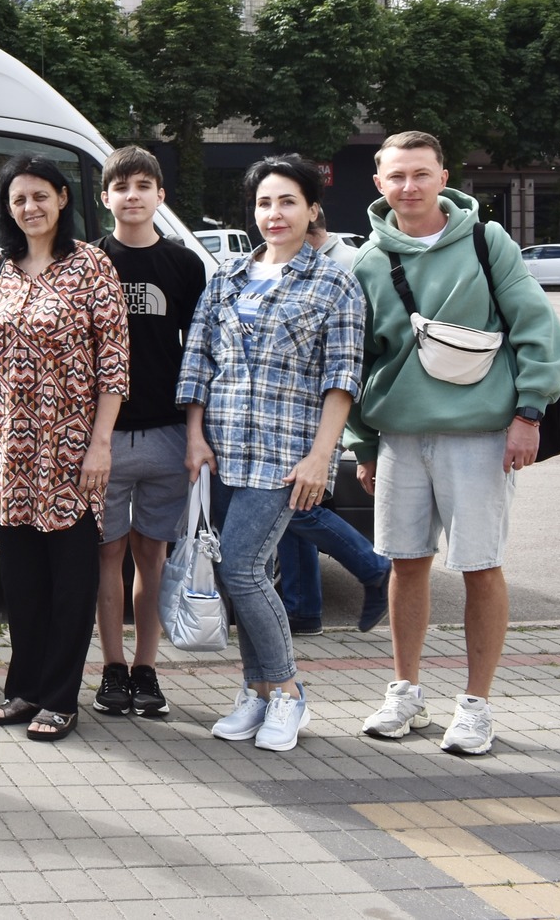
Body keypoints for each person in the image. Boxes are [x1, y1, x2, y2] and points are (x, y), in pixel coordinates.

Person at [347, 130, 560, 757]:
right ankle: (405, 692)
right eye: (397, 176)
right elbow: (360, 361)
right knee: (405, 563)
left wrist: (529, 415)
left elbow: (537, 328)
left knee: (480, 566)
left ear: (444, 177)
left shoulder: (485, 241)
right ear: (379, 184)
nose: (409, 187)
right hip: (400, 437)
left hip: (480, 435)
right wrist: (364, 444)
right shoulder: (367, 262)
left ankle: (476, 705)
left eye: (421, 173)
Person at [180, 156, 365, 753]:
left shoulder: (333, 282)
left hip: (284, 454)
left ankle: (287, 691)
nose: (274, 213)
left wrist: (320, 457)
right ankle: (255, 691)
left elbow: (342, 377)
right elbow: (198, 361)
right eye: (264, 203)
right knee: (235, 575)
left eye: (287, 201)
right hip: (221, 449)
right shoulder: (227, 277)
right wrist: (195, 435)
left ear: (312, 209)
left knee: (242, 567)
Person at [0, 156, 128, 743]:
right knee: (21, 581)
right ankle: (22, 688)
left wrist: (100, 445)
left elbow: (114, 366)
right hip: (7, 452)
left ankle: (60, 698)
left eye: (40, 196)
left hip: (71, 451)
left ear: (63, 198)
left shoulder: (92, 266)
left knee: (70, 581)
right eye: (19, 198)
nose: (30, 207)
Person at [91, 147, 206, 720]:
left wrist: (195, 434)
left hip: (166, 432)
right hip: (103, 437)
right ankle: (112, 667)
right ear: (104, 197)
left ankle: (146, 667)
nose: (132, 196)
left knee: (151, 556)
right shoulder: (89, 260)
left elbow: (200, 356)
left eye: (143, 186)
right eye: (121, 186)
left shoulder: (184, 265)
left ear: (161, 195)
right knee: (107, 554)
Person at [276, 203, 392, 638]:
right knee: (299, 502)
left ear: (310, 216)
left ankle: (374, 568)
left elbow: (353, 353)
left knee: (285, 503)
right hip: (292, 406)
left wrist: (357, 439)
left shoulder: (347, 265)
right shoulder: (288, 262)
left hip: (319, 409)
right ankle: (303, 609)